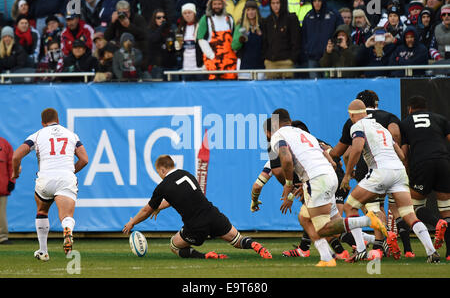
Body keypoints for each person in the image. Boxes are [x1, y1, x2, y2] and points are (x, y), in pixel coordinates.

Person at [269, 108, 385, 266]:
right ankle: (326, 257)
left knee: (323, 228)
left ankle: (367, 220)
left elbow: (287, 159)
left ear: (275, 123)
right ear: (289, 120)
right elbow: (327, 156)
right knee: (305, 217)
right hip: (329, 175)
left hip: (317, 179)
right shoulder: (302, 133)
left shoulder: (278, 135)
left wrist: (289, 184)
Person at [339, 99, 439, 263]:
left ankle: (361, 250)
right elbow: (401, 155)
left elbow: (356, 148)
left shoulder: (357, 126)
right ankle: (432, 251)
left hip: (380, 171)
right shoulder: (381, 128)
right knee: (408, 214)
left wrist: (347, 174)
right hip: (398, 172)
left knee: (350, 206)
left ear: (351, 115)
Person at [122, 155, 272, 260]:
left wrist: (132, 222)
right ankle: (255, 245)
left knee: (174, 246)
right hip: (213, 215)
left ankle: (205, 256)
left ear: (162, 170)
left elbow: (146, 210)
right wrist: (160, 207)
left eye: (158, 173)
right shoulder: (187, 174)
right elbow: (178, 198)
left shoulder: (163, 186)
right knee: (237, 240)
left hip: (195, 225)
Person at [328, 90, 404, 257]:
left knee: (358, 206)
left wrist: (346, 171)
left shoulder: (354, 123)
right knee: (402, 210)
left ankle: (364, 248)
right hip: (396, 168)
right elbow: (396, 135)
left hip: (370, 169)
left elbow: (345, 152)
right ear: (375, 103)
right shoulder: (387, 117)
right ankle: (384, 244)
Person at [11, 108, 89, 261]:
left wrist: (15, 173)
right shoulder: (71, 135)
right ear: (58, 120)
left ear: (42, 122)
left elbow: (16, 156)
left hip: (45, 178)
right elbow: (84, 159)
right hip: (66, 178)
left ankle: (43, 251)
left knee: (42, 210)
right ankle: (67, 229)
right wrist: (71, 171)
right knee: (66, 216)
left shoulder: (37, 135)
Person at [400, 95, 450, 261]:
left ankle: (436, 224)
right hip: (443, 162)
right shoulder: (440, 119)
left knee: (414, 207)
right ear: (426, 108)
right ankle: (449, 254)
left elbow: (405, 152)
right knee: (446, 210)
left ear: (410, 109)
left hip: (422, 165)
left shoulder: (406, 122)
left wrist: (406, 173)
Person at [197, 0, 238, 80]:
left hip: (229, 61)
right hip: (213, 62)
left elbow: (234, 39)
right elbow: (201, 40)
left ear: (223, 4)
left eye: (219, 4)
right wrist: (212, 56)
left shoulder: (229, 19)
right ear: (211, 5)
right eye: (214, 4)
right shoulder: (205, 19)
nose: (217, 6)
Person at [301, 0, 343, 78]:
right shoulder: (308, 16)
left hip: (328, 57)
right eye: (315, 1)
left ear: (323, 1)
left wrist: (334, 49)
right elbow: (303, 37)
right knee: (314, 86)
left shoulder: (333, 14)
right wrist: (307, 50)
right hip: (312, 58)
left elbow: (341, 33)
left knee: (328, 86)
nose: (317, 3)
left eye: (319, 1)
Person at [261, 0, 300, 80]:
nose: (275, 6)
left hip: (286, 62)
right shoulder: (267, 20)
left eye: (278, 3)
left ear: (282, 3)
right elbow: (265, 42)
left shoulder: (291, 19)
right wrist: (266, 59)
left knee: (288, 91)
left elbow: (296, 41)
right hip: (271, 62)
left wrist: (292, 59)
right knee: (271, 91)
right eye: (273, 3)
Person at [104, 0, 148, 73]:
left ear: (129, 10)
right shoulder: (117, 20)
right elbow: (107, 37)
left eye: (126, 12)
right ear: (117, 12)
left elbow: (144, 35)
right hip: (120, 51)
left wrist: (129, 26)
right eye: (121, 13)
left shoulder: (138, 18)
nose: (124, 15)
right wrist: (112, 22)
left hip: (137, 50)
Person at [232, 0, 265, 80]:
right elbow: (234, 46)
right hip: (245, 67)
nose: (251, 12)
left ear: (257, 11)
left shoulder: (263, 25)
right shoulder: (240, 26)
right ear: (245, 12)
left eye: (253, 9)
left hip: (261, 66)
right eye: (248, 10)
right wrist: (240, 40)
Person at [175, 3, 204, 80]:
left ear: (194, 13)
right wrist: (177, 45)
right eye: (185, 13)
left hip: (199, 68)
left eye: (189, 12)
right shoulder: (180, 29)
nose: (187, 15)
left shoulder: (200, 26)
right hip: (186, 68)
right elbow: (178, 48)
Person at [147, 9, 178, 81]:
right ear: (154, 19)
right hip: (158, 67)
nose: (162, 19)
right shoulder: (150, 30)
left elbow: (175, 46)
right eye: (158, 18)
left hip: (171, 66)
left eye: (163, 17)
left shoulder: (171, 30)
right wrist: (162, 27)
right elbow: (154, 39)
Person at [0, 136, 15, 245]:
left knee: (1, 213)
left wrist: (11, 181)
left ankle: (2, 237)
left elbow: (11, 163)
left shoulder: (5, 144)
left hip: (1, 185)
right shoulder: (4, 143)